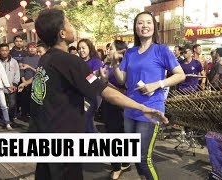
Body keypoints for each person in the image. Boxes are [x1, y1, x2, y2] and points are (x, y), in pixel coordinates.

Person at [31, 8, 168, 180]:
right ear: (62, 33)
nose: (73, 27)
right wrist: (142, 107)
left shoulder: (46, 59)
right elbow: (105, 92)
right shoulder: (70, 61)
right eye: (69, 23)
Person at [112, 11, 185, 180]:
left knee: (144, 158)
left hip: (151, 110)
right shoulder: (130, 53)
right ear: (135, 28)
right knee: (134, 155)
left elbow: (180, 75)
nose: (144, 26)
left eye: (148, 22)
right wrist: (115, 65)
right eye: (140, 23)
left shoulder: (161, 50)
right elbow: (123, 80)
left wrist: (157, 84)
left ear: (154, 27)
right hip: (130, 109)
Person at [100, 40, 131, 179]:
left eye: (111, 48)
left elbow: (124, 91)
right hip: (107, 104)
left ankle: (117, 167)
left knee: (118, 136)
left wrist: (106, 82)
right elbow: (95, 79)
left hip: (120, 106)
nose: (108, 50)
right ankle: (121, 163)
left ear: (120, 51)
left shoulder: (125, 66)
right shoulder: (106, 64)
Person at [77, 38, 103, 133]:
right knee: (84, 121)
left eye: (83, 48)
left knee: (87, 119)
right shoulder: (77, 62)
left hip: (93, 96)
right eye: (79, 49)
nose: (81, 51)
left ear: (89, 48)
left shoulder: (96, 61)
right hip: (80, 95)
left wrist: (83, 80)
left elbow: (94, 78)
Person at [0, 43, 20, 122]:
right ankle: (1, 118)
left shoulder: (14, 61)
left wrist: (15, 84)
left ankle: (11, 119)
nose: (4, 52)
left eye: (6, 50)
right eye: (2, 50)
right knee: (1, 104)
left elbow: (17, 73)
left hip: (11, 87)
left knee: (12, 104)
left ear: (9, 51)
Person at [18, 42, 40, 120]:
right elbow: (22, 72)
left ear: (36, 48)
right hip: (25, 82)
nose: (32, 49)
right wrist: (24, 82)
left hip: (36, 82)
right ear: (27, 49)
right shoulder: (24, 58)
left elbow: (39, 71)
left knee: (34, 101)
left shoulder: (40, 58)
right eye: (30, 47)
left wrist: (29, 67)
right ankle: (24, 115)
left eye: (34, 47)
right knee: (25, 100)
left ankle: (33, 116)